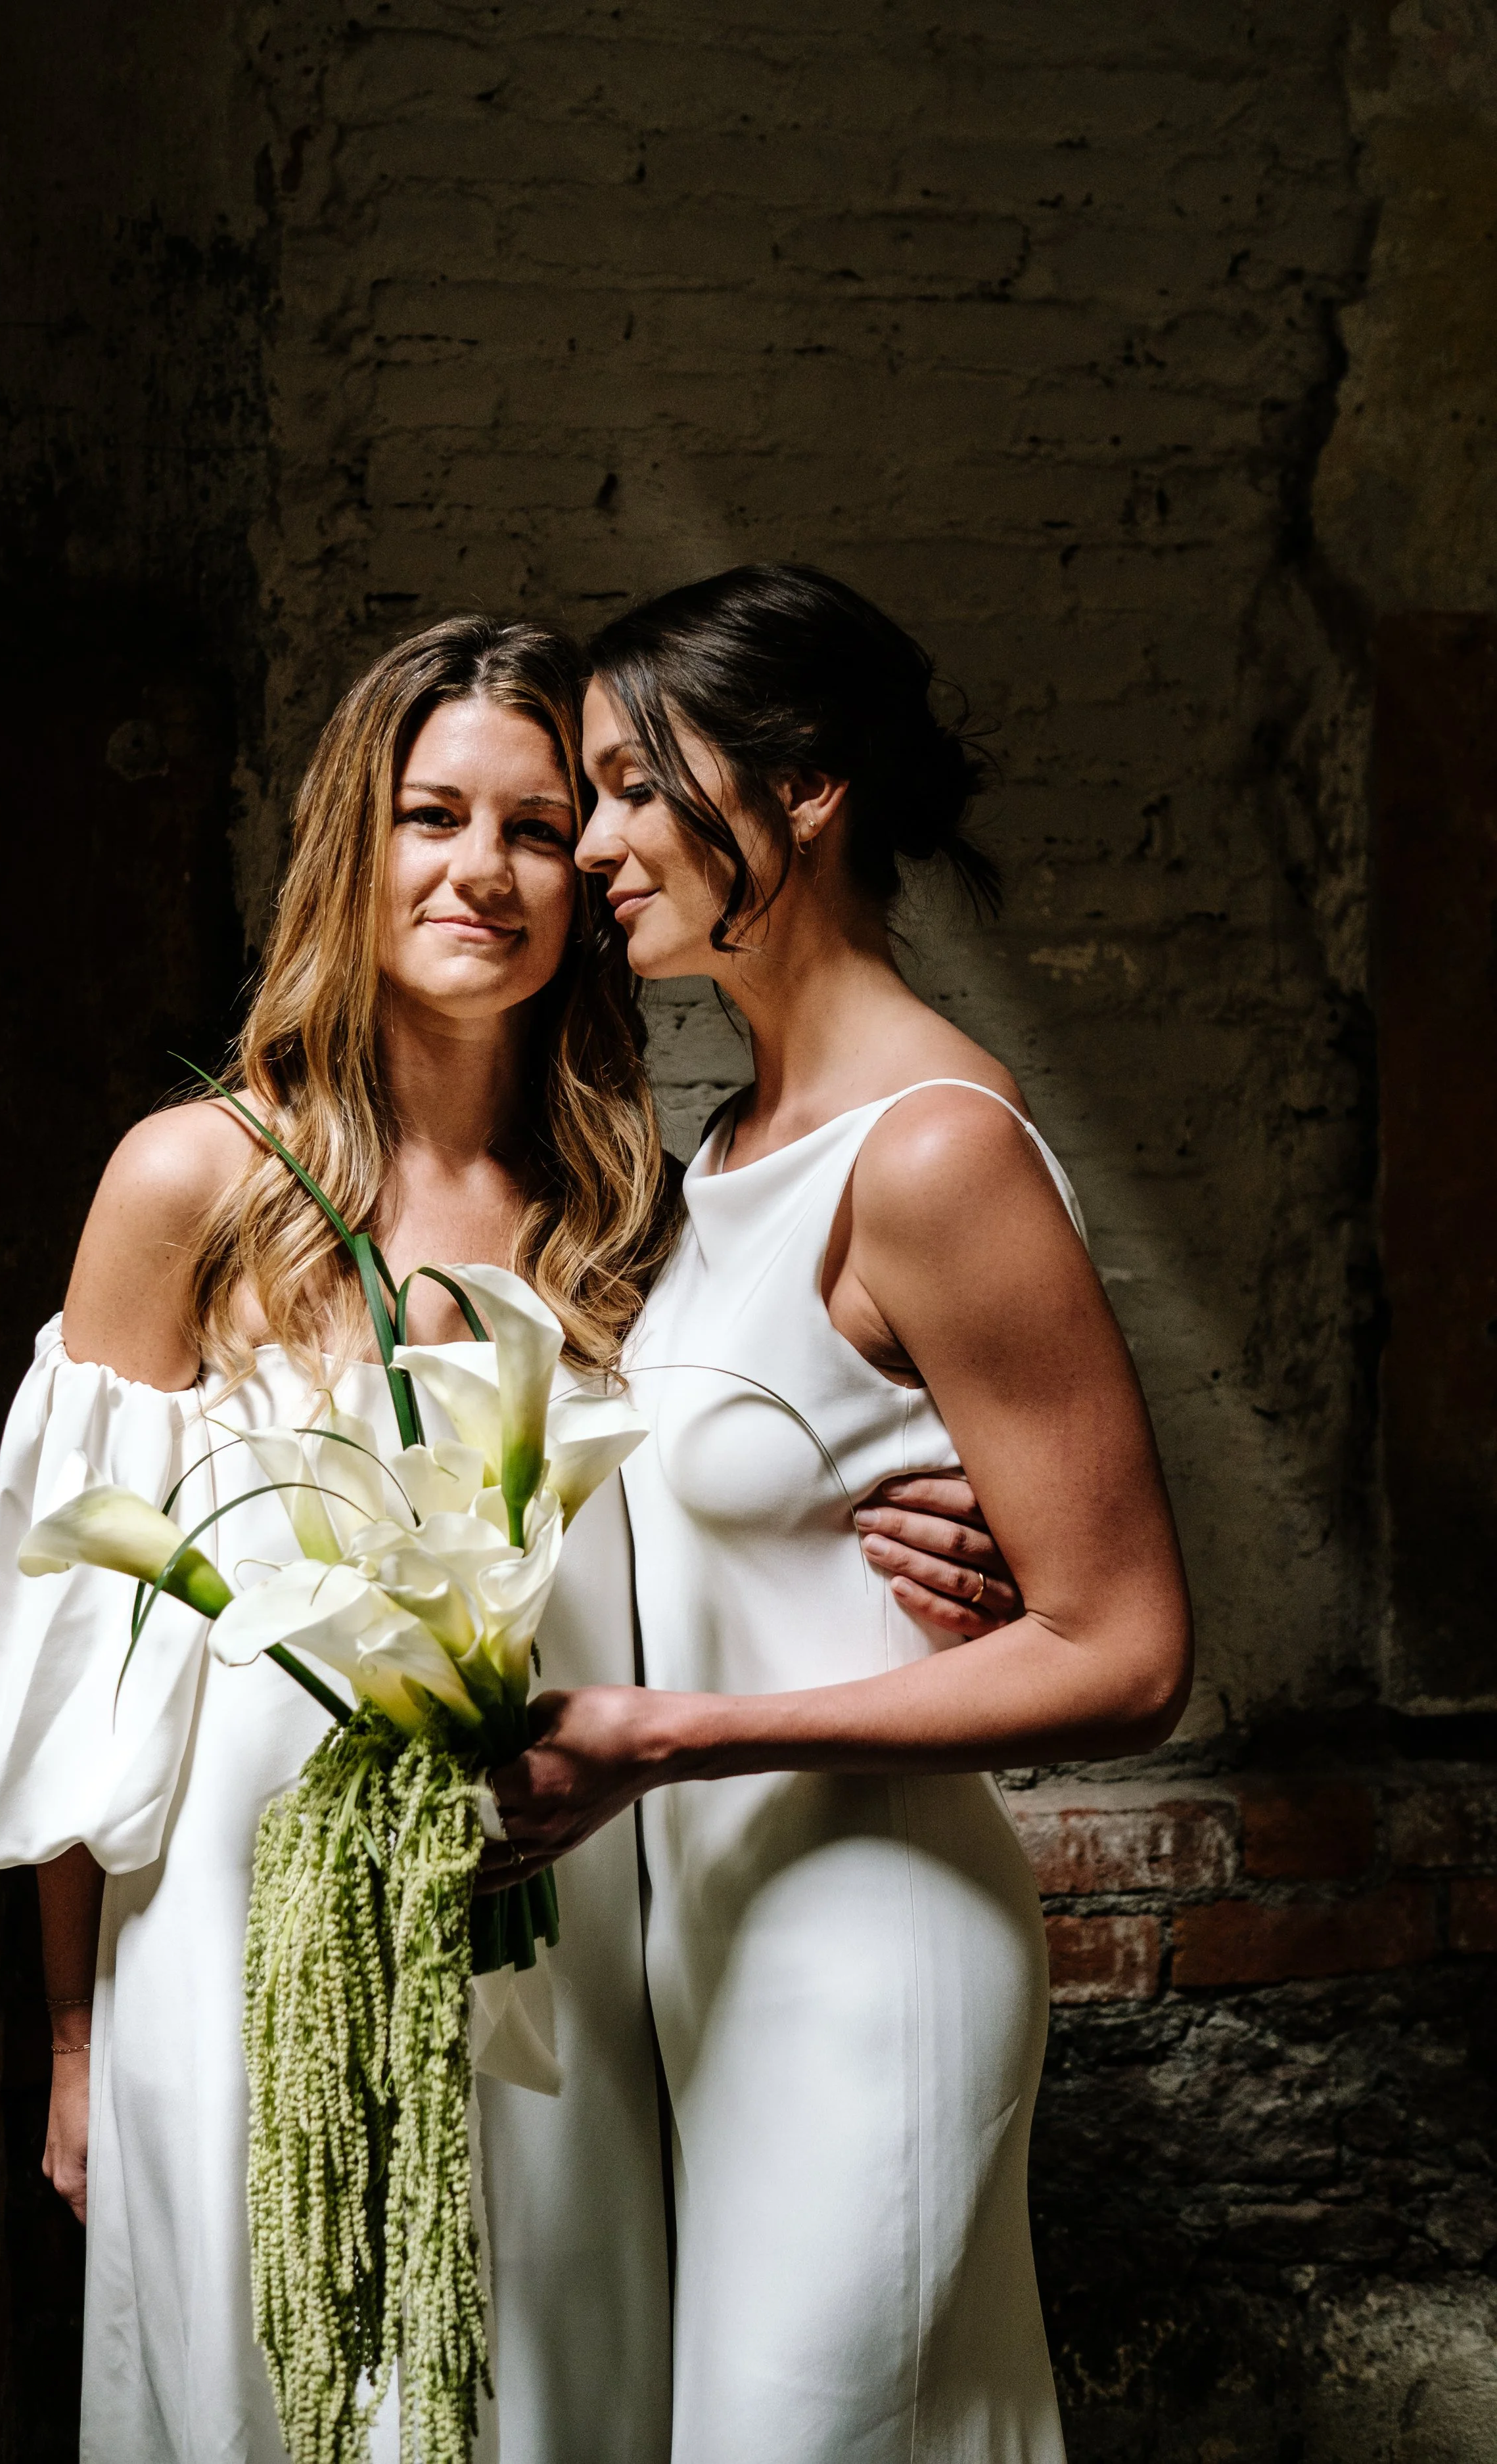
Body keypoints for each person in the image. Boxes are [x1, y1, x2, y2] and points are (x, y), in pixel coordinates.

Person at [0, 613, 1013, 2464]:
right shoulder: (194, 1181)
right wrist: (72, 2032)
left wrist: (930, 1530)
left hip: (556, 1946)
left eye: (536, 825)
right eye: (433, 814)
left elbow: (743, 1482)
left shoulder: (625, 1210)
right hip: (234, 1945)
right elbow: (72, 1665)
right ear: (353, 840)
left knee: (539, 2394)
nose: (485, 870)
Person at [481, 564, 1195, 2464]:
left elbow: (1127, 1650)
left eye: (638, 784)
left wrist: (665, 1737)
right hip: (710, 1953)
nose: (596, 840)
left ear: (805, 789)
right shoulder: (724, 1151)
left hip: (866, 1949)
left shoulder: (934, 1147)